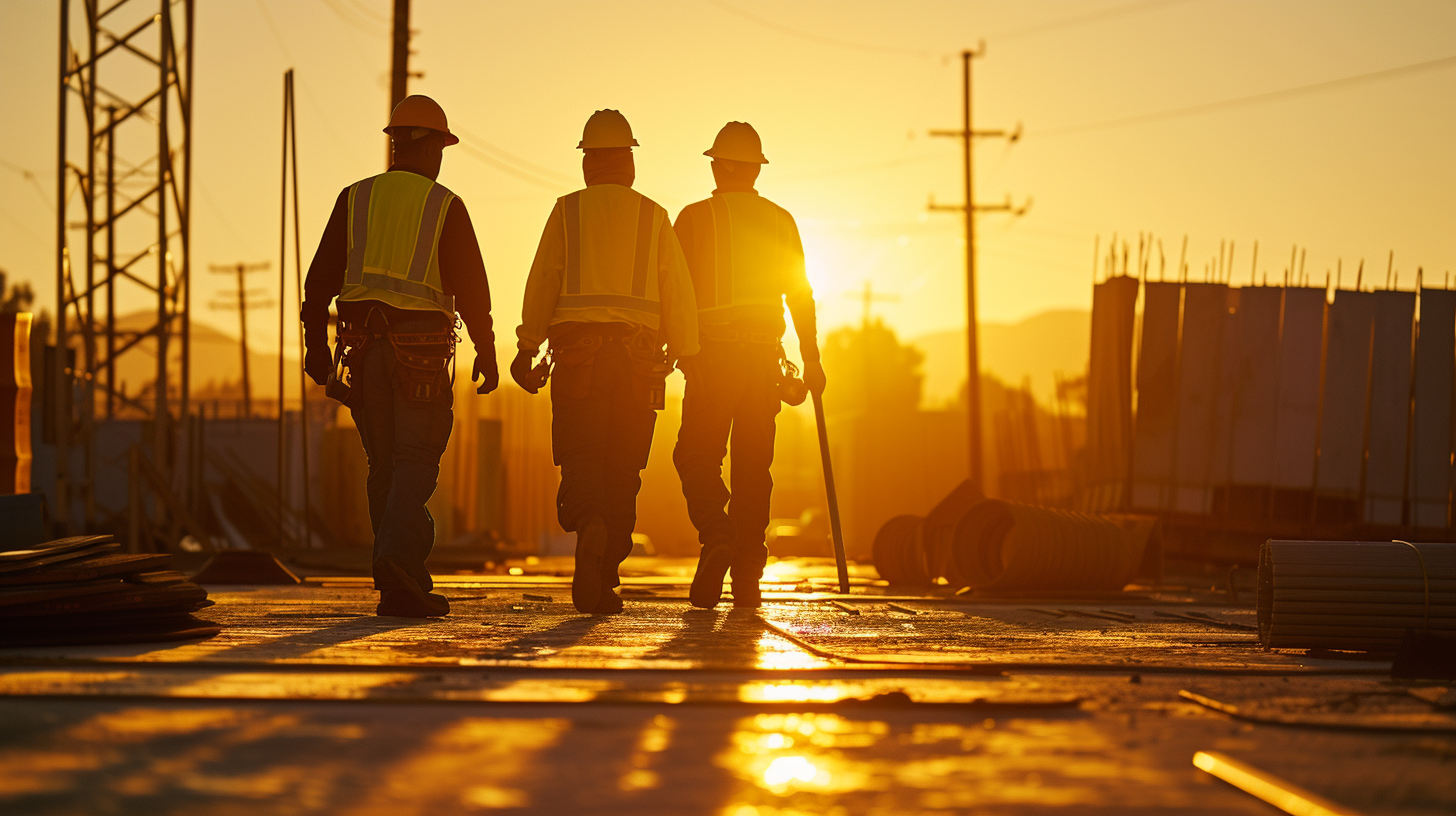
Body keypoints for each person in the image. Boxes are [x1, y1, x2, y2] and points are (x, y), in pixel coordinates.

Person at [302, 95, 497, 618]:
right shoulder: (443, 205)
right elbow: (473, 288)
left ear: (394, 144)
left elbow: (319, 278)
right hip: (420, 355)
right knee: (414, 462)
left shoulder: (355, 198)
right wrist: (488, 347)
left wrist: (314, 346)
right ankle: (397, 563)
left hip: (362, 351)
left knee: (384, 465)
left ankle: (398, 584)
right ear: (433, 146)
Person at [513, 109, 699, 615]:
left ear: (588, 163)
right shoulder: (654, 216)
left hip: (579, 359)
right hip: (639, 363)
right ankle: (606, 574)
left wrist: (527, 346)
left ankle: (589, 523)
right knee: (624, 467)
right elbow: (678, 293)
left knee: (581, 454)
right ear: (630, 162)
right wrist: (685, 353)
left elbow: (543, 279)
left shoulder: (567, 211)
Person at [673, 122, 825, 609]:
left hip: (710, 360)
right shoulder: (779, 220)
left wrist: (670, 354)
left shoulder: (693, 220)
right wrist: (813, 360)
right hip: (763, 361)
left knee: (695, 458)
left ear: (717, 165)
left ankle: (716, 534)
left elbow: (673, 294)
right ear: (756, 170)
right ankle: (747, 580)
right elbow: (800, 296)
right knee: (754, 471)